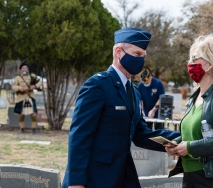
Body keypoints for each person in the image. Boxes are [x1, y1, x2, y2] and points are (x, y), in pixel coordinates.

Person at [62, 27, 179, 188]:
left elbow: (141, 133)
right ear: (118, 51)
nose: (141, 60)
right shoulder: (98, 85)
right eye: (137, 54)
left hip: (122, 176)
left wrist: (178, 138)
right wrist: (76, 182)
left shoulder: (134, 92)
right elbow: (79, 135)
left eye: (143, 56)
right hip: (94, 178)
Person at [165, 34, 213, 188]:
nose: (189, 63)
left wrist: (189, 147)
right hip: (190, 175)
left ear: (210, 64)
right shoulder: (193, 98)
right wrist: (176, 143)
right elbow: (193, 133)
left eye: (194, 58)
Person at [12, 61, 42, 134]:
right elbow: (13, 86)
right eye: (23, 68)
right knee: (21, 114)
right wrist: (19, 87)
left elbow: (40, 81)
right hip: (21, 97)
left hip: (30, 96)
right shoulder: (17, 78)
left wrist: (34, 86)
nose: (25, 69)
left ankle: (34, 129)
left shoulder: (32, 76)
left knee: (33, 114)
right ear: (21, 69)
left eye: (26, 67)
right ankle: (22, 128)